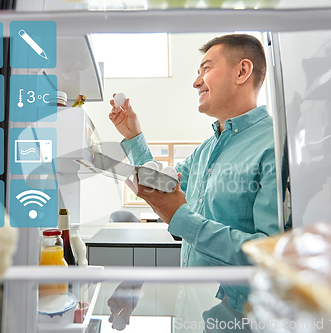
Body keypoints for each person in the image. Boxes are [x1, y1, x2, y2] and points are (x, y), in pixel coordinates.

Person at [107, 33, 279, 325]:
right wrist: (134, 138)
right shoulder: (206, 150)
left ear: (242, 71)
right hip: (189, 315)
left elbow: (268, 258)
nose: (196, 81)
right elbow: (163, 183)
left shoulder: (273, 146)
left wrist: (181, 217)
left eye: (206, 68)